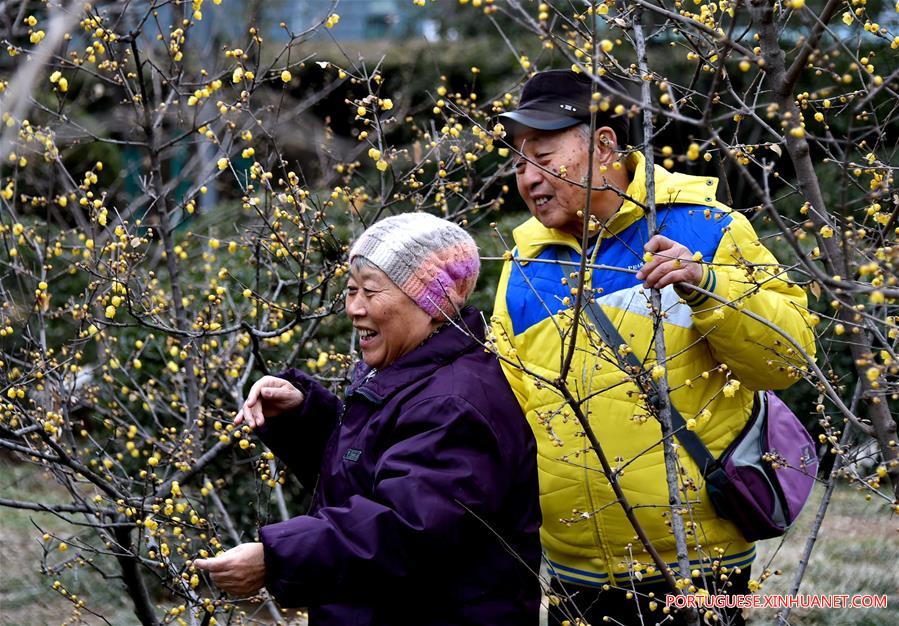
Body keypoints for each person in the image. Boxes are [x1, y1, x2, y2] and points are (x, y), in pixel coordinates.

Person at [490, 70, 816, 625]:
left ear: (605, 145)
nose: (529, 178)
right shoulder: (523, 264)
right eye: (519, 163)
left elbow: (789, 359)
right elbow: (510, 408)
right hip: (573, 563)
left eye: (543, 156)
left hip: (696, 562)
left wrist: (711, 287)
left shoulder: (706, 228)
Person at [194, 213, 542, 625]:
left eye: (370, 292)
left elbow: (406, 528)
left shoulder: (454, 403)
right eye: (351, 290)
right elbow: (372, 474)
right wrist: (304, 415)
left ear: (432, 304)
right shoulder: (409, 373)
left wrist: (276, 557)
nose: (354, 309)